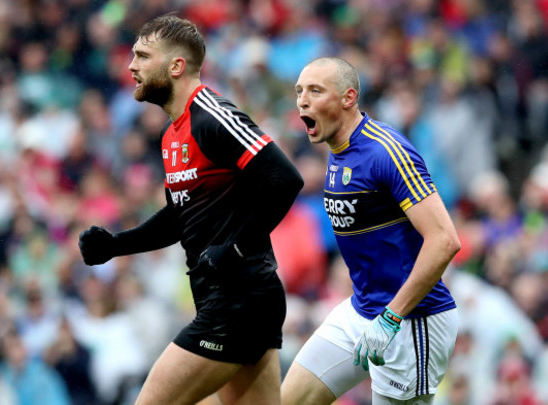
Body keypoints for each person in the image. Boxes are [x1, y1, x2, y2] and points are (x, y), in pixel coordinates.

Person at [77, 15, 303, 405]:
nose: (131, 66)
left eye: (143, 56)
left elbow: (285, 179)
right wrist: (116, 245)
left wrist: (234, 248)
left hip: (239, 299)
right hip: (235, 299)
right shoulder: (172, 135)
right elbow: (179, 218)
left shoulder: (213, 115)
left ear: (176, 66)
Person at [282, 57, 461, 405]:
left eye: (315, 91)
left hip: (411, 321)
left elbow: (445, 240)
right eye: (299, 91)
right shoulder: (337, 150)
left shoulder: (386, 152)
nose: (302, 100)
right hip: (362, 310)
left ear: (348, 98)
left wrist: (392, 317)